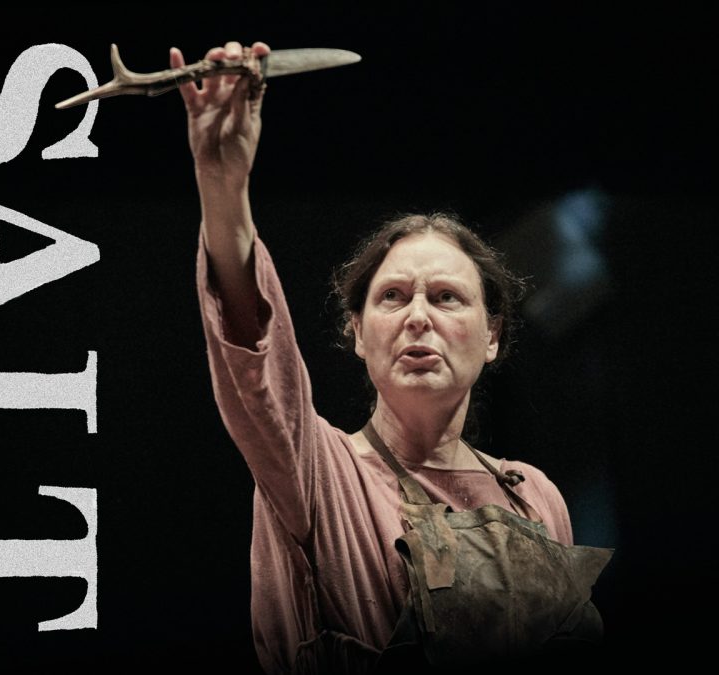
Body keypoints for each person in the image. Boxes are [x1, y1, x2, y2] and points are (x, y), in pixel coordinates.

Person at [173, 40, 612, 674]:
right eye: (393, 297)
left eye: (446, 297)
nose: (418, 317)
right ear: (356, 332)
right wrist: (222, 183)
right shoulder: (320, 473)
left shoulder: (534, 497)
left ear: (492, 338)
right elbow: (256, 360)